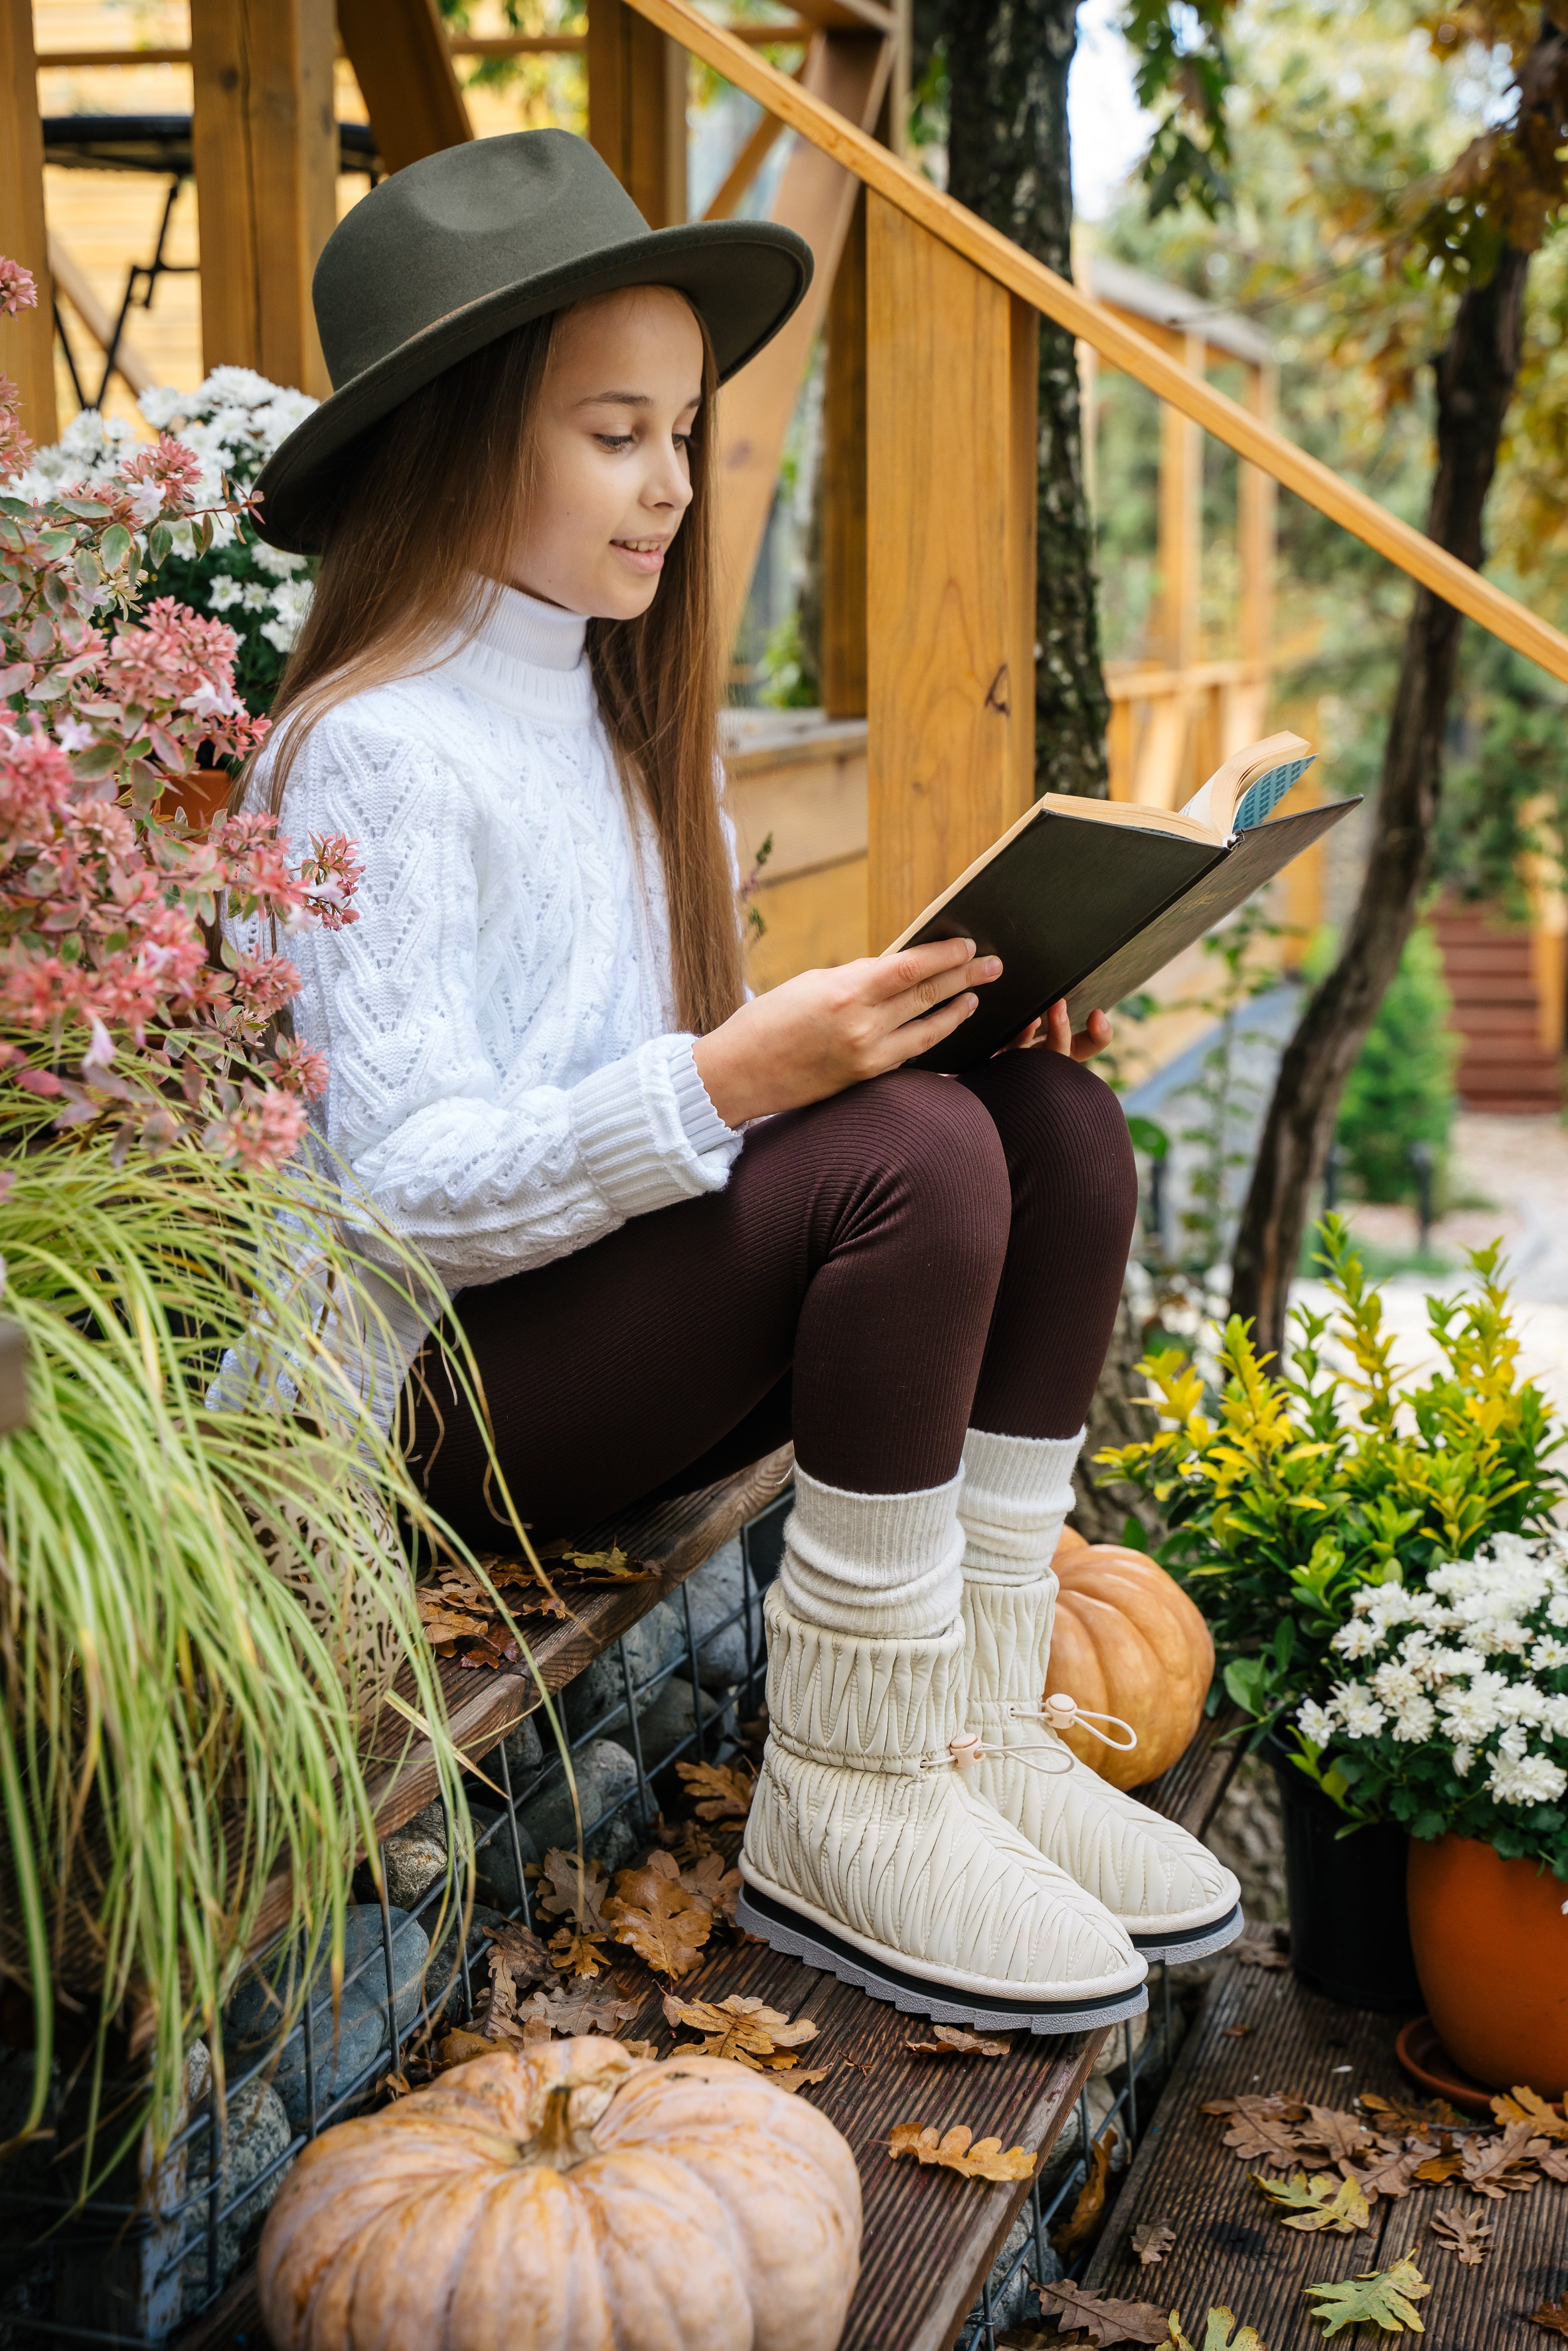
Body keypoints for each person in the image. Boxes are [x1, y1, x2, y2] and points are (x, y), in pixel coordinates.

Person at [246, 128, 1240, 2030]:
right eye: (614, 433)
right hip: (430, 1406)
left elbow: (647, 1070)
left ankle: (969, 1721)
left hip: (590, 1334)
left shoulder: (615, 719)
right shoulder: (370, 749)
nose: (674, 485)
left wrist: (905, 1018)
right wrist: (735, 1077)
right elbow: (397, 1189)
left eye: (684, 432)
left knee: (1050, 1127)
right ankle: (846, 1795)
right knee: (912, 1158)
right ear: (457, 439)